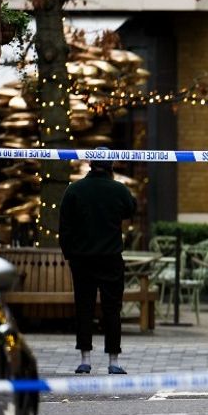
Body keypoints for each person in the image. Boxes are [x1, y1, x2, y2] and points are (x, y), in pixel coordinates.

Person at [59, 157, 137, 375]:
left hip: (82, 259)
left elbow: (64, 225)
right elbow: (131, 209)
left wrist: (70, 254)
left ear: (91, 165)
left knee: (84, 308)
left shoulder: (74, 190)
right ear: (111, 167)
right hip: (110, 258)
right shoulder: (118, 189)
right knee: (112, 309)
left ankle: (85, 358)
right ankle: (114, 360)